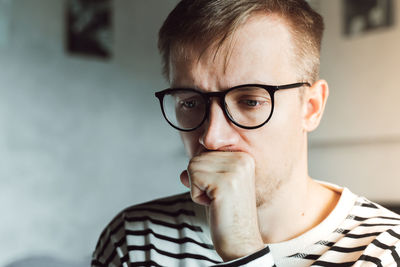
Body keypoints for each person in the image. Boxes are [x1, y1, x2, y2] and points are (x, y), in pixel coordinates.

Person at [91, 0, 400, 266]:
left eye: (250, 101)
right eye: (190, 102)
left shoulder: (386, 250)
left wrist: (244, 253)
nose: (211, 138)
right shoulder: (134, 240)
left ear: (311, 107)